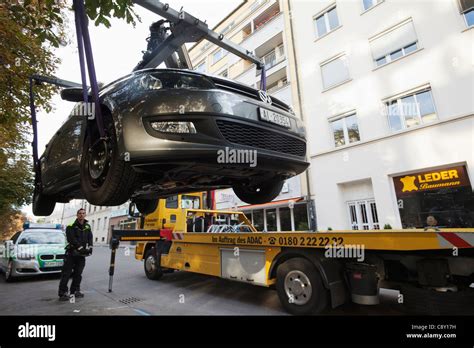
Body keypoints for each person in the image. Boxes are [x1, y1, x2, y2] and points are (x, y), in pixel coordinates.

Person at [58, 208, 93, 301]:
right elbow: (71, 239)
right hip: (71, 254)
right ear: (77, 215)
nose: (81, 215)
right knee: (66, 274)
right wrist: (80, 248)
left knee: (78, 274)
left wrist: (90, 247)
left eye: (83, 213)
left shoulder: (87, 226)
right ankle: (62, 293)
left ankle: (75, 291)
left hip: (81, 256)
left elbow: (90, 238)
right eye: (80, 213)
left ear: (85, 215)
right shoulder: (71, 226)